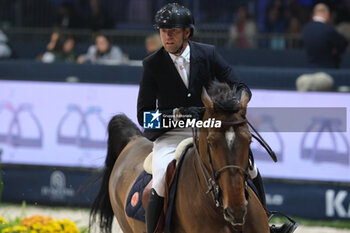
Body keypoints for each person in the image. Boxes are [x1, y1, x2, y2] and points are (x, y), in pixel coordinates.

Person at [137, 3, 297, 233]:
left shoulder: (208, 53)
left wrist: (241, 101)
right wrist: (177, 115)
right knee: (162, 177)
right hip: (171, 135)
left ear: (187, 33)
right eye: (163, 31)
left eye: (173, 31)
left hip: (210, 127)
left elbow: (240, 86)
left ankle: (266, 221)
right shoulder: (152, 65)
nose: (167, 36)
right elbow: (145, 118)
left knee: (250, 167)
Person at [302, 3, 348, 68]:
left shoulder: (306, 29)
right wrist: (335, 51)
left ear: (314, 14)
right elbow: (343, 43)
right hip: (327, 69)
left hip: (309, 69)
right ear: (327, 13)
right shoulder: (328, 29)